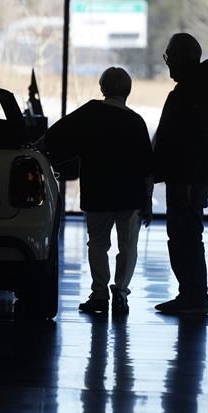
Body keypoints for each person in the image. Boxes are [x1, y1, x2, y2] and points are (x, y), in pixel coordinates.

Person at [44, 67, 153, 315]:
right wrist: (147, 201)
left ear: (103, 88)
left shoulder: (91, 112)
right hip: (130, 194)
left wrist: (38, 146)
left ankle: (100, 294)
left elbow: (57, 134)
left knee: (97, 244)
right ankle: (121, 294)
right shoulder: (136, 121)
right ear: (128, 90)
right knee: (128, 247)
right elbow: (147, 167)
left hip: (98, 192)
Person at [153, 33, 208, 315]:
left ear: (183, 59)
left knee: (186, 237)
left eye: (169, 56)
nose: (167, 62)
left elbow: (195, 140)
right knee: (185, 236)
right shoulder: (200, 88)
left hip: (187, 180)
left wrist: (185, 180)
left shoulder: (195, 92)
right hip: (188, 178)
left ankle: (194, 297)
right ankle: (191, 295)